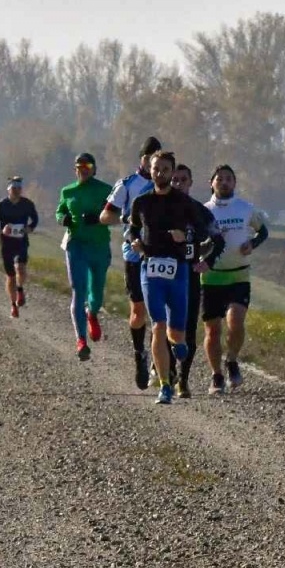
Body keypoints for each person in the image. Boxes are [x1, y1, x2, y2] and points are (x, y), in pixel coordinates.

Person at [126, 152, 201, 405]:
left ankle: (179, 346)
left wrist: (185, 238)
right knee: (157, 324)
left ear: (171, 171)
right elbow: (132, 229)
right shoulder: (141, 202)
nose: (160, 173)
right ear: (150, 169)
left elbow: (203, 232)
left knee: (176, 333)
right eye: (156, 169)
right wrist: (135, 243)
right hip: (150, 269)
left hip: (178, 271)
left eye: (165, 169)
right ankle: (165, 385)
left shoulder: (184, 202)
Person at [201, 165, 270, 394]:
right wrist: (206, 247)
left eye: (229, 179)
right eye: (219, 179)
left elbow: (263, 231)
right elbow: (196, 242)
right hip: (211, 278)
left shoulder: (246, 208)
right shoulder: (204, 211)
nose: (224, 182)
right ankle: (216, 375)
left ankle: (231, 360)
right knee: (212, 331)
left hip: (239, 275)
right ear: (211, 183)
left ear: (234, 183)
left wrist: (252, 243)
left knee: (236, 322)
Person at [102, 137, 164, 390]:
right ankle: (140, 353)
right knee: (138, 311)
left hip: (161, 254)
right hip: (134, 254)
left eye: (155, 158)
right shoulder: (127, 184)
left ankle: (158, 360)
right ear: (142, 159)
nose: (152, 163)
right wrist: (125, 218)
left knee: (159, 312)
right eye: (148, 158)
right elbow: (105, 216)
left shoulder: (166, 184)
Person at [170, 164, 224, 396]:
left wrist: (207, 262)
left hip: (189, 276)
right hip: (163, 276)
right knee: (165, 326)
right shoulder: (158, 207)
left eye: (183, 180)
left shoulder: (200, 211)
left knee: (189, 328)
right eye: (174, 180)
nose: (178, 184)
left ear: (190, 183)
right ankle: (167, 372)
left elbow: (219, 241)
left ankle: (183, 379)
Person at [55, 153, 113, 362]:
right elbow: (59, 211)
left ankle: (93, 313)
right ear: (75, 170)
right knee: (78, 289)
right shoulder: (67, 191)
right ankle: (81, 340)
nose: (84, 169)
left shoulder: (106, 190)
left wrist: (98, 219)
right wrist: (63, 219)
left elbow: (116, 214)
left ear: (94, 169)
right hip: (76, 245)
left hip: (99, 246)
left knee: (96, 290)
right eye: (80, 166)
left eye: (88, 165)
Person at [0, 177, 39, 318]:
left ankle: (20, 289)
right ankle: (13, 305)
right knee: (11, 275)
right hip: (6, 244)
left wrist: (30, 228)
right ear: (8, 190)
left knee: (21, 268)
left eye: (19, 188)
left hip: (21, 241)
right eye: (14, 188)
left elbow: (35, 219)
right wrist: (1, 232)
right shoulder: (1, 205)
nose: (17, 191)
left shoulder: (27, 204)